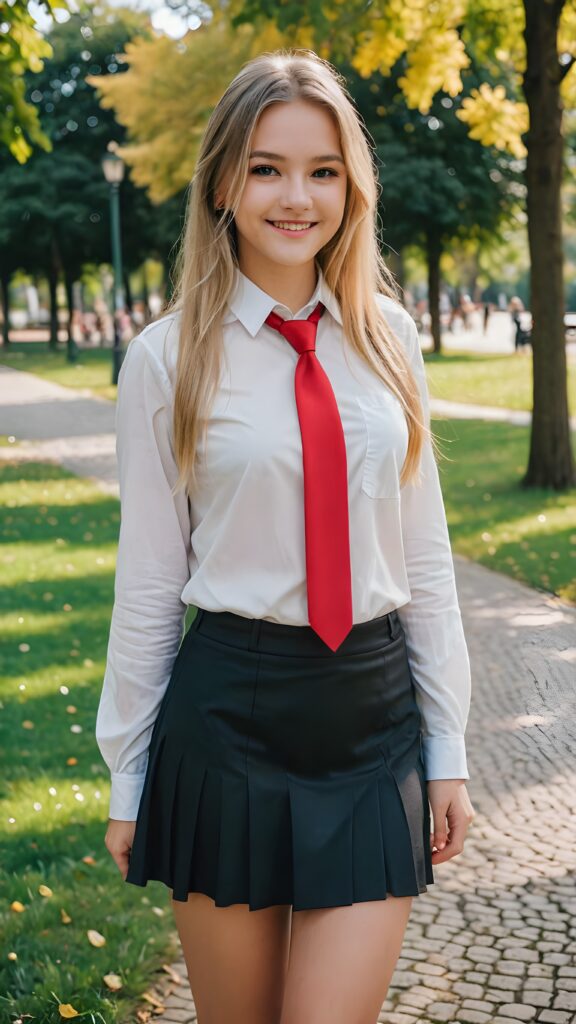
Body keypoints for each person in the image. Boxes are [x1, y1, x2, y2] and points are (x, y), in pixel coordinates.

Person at [95, 49, 475, 1024]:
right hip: (228, 720)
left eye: (323, 170)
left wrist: (449, 751)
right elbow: (147, 581)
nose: (295, 196)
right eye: (267, 167)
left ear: (352, 185)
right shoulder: (166, 358)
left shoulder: (390, 336)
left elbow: (424, 559)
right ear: (224, 182)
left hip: (373, 716)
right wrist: (128, 774)